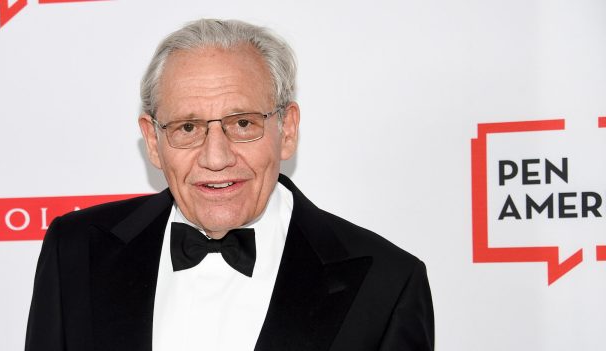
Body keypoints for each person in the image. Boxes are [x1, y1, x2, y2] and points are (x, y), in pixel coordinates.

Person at [26, 19, 434, 351]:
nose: (216, 157)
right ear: (153, 140)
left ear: (286, 129)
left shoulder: (387, 285)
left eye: (243, 124)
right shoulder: (75, 251)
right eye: (187, 127)